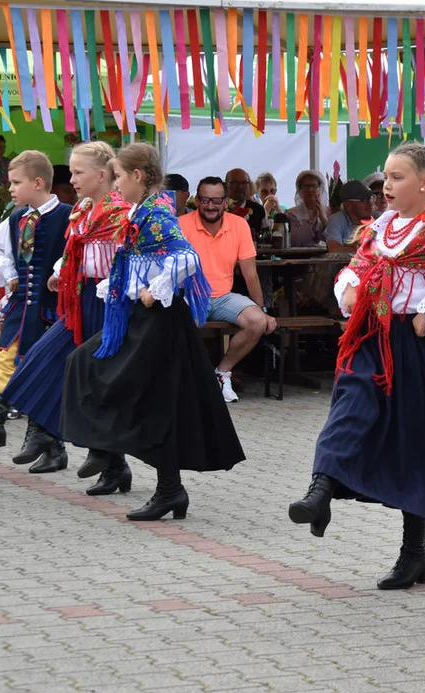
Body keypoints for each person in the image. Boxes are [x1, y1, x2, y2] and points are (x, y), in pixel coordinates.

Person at [286, 143, 425, 590]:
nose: (385, 186)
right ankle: (321, 490)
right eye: (386, 178)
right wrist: (350, 286)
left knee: (417, 444)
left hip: (416, 346)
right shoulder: (381, 228)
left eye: (396, 178)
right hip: (371, 337)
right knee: (349, 408)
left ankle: (415, 552)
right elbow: (359, 266)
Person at [60, 142, 244, 521]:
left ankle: (161, 486)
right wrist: (117, 283)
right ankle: (112, 456)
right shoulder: (142, 210)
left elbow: (185, 257)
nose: (115, 184)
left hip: (160, 321)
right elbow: (138, 258)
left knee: (155, 402)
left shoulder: (156, 212)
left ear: (138, 177)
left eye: (119, 177)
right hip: (142, 319)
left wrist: (156, 287)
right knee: (91, 366)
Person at [1, 142, 131, 479]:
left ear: (101, 175)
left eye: (77, 172)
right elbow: (75, 250)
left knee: (95, 378)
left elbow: (126, 259)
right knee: (39, 361)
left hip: (109, 302)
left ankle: (108, 459)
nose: (71, 179)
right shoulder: (82, 210)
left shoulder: (121, 212)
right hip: (81, 299)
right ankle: (48, 434)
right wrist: (63, 273)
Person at [0, 150, 72, 449]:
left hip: (50, 307)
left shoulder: (67, 216)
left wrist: (58, 271)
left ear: (37, 183)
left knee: (43, 368)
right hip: (21, 305)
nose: (10, 189)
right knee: (3, 360)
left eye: (15, 182)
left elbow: (73, 252)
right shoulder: (16, 219)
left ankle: (44, 440)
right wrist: (8, 271)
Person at [179, 177, 276, 402]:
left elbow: (250, 273)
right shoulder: (181, 224)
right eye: (204, 200)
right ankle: (194, 379)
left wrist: (262, 309)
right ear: (196, 201)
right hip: (191, 295)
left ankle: (222, 372)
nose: (210, 205)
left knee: (258, 321)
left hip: (223, 296)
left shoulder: (239, 224)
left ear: (225, 202)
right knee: (182, 322)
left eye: (216, 200)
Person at [324, 180, 374, 248]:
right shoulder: (336, 220)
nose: (370, 204)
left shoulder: (378, 217)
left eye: (370, 198)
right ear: (348, 205)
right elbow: (335, 249)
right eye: (364, 200)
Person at [286, 170, 328, 247]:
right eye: (306, 186)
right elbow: (294, 240)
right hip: (301, 257)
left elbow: (335, 238)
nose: (310, 190)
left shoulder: (329, 211)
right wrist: (312, 219)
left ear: (319, 188)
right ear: (300, 190)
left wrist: (323, 219)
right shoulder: (292, 214)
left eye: (314, 186)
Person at [225, 168, 267, 238]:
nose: (240, 186)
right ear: (226, 185)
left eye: (244, 183)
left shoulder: (259, 210)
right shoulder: (218, 209)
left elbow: (266, 238)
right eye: (235, 182)